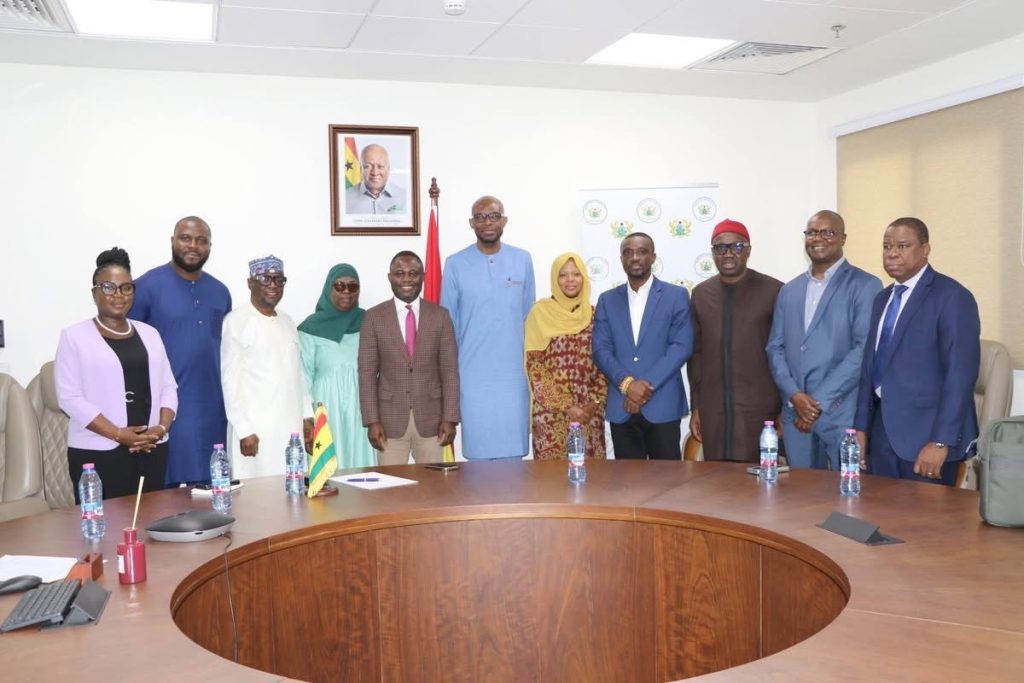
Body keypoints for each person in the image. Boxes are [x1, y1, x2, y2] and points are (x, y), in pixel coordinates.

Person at [854, 217, 980, 486]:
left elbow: (960, 376)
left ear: (925, 250)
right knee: (879, 510)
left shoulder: (952, 297)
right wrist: (860, 428)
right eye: (887, 246)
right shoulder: (882, 299)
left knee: (924, 515)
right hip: (881, 434)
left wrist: (941, 441)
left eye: (902, 246)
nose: (892, 253)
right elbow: (869, 369)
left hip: (927, 438)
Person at [55, 247, 178, 501]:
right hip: (98, 454)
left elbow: (168, 386)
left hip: (151, 449)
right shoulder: (74, 337)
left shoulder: (150, 334)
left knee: (151, 520)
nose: (118, 295)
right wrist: (119, 434)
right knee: (103, 524)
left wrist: (161, 428)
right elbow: (69, 398)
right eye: (108, 287)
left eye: (126, 288)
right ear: (94, 293)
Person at [766, 211, 882, 470]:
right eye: (812, 232)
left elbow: (863, 350)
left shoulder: (866, 285)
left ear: (843, 238)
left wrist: (815, 404)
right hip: (795, 413)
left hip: (841, 413)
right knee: (802, 492)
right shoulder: (789, 290)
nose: (818, 238)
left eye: (828, 232)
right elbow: (775, 348)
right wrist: (795, 396)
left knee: (848, 491)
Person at [130, 216, 232, 486]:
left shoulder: (220, 292)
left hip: (212, 407)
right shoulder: (146, 287)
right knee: (167, 491)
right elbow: (128, 348)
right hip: (165, 408)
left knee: (211, 486)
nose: (193, 245)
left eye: (201, 240)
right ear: (172, 241)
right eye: (186, 238)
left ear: (209, 247)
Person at [441, 195, 535, 459]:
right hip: (471, 376)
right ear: (471, 223)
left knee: (514, 455)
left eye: (493, 216)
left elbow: (529, 317)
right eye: (480, 217)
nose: (487, 222)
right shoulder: (455, 264)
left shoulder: (522, 259)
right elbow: (448, 325)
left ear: (504, 220)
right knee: (478, 456)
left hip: (513, 374)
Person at [688, 219, 783, 462]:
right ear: (713, 253)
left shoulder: (773, 291)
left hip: (760, 407)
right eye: (720, 248)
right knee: (717, 479)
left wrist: (784, 408)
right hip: (714, 408)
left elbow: (785, 352)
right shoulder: (701, 294)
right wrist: (696, 406)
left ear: (748, 251)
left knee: (758, 478)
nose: (728, 253)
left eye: (737, 246)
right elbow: (696, 354)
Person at [593, 233, 693, 459]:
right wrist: (628, 385)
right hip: (622, 406)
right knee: (627, 480)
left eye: (642, 252)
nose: (635, 257)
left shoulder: (676, 295)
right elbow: (601, 350)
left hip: (663, 404)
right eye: (628, 253)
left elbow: (681, 346)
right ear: (621, 259)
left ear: (653, 257)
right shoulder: (607, 300)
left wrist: (644, 387)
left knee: (667, 479)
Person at [358, 251, 460, 465]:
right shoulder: (374, 317)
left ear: (423, 277)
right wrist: (372, 421)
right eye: (399, 273)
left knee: (433, 483)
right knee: (391, 485)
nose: (406, 279)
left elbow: (449, 370)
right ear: (390, 277)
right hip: (388, 422)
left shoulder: (440, 316)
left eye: (413, 273)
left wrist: (450, 418)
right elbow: (367, 373)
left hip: (432, 421)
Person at [221, 255, 311, 479]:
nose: (273, 285)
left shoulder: (288, 321)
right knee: (256, 494)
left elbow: (298, 374)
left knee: (292, 489)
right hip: (255, 431)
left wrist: (308, 417)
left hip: (290, 428)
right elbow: (230, 380)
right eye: (265, 279)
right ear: (250, 283)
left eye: (279, 280)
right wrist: (243, 429)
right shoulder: (236, 321)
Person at [526, 252, 608, 459]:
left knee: (592, 475)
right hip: (550, 414)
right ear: (555, 279)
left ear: (584, 278)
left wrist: (594, 403)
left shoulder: (596, 315)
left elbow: (605, 363)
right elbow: (535, 366)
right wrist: (566, 406)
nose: (570, 280)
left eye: (576, 274)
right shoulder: (540, 313)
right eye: (563, 275)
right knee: (551, 476)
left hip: (589, 413)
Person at [298, 264, 377, 470]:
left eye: (353, 287)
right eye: (340, 286)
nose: (346, 292)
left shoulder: (369, 321)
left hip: (362, 407)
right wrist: (306, 417)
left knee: (362, 463)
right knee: (329, 464)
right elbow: (303, 377)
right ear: (328, 288)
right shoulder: (310, 327)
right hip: (325, 406)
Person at [344, 144, 405, 215]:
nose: (375, 172)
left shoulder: (406, 197)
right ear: (361, 169)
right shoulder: (345, 198)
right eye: (368, 166)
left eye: (380, 166)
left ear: (388, 169)